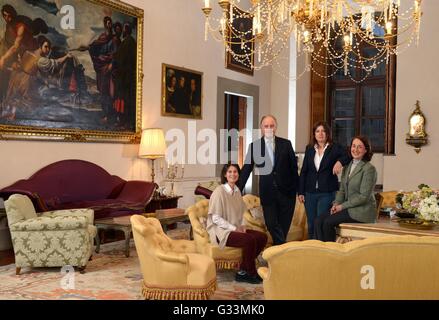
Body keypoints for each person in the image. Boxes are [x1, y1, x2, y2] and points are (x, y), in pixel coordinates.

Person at [238, 115, 299, 245]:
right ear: (261, 128)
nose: (269, 128)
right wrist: (236, 188)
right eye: (266, 126)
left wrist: (300, 191)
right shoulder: (254, 147)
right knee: (271, 224)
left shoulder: (286, 144)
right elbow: (246, 169)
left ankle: (278, 259)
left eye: (272, 126)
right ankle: (283, 251)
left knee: (283, 229)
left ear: (276, 127)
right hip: (268, 194)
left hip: (287, 195)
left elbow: (294, 169)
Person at [207, 163, 267, 284]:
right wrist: (234, 228)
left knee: (262, 237)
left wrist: (243, 225)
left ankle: (242, 270)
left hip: (235, 228)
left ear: (238, 175)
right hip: (222, 232)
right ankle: (251, 272)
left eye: (235, 172)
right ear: (225, 174)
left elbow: (241, 212)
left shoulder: (237, 191)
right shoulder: (219, 192)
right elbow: (216, 218)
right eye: (230, 172)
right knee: (249, 240)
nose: (233, 174)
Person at [314, 135, 377, 242]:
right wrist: (336, 204)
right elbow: (342, 190)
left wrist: (342, 206)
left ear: (366, 150)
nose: (355, 150)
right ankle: (322, 251)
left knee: (328, 222)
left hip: (362, 211)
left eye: (359, 147)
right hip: (348, 207)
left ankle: (332, 253)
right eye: (353, 146)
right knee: (318, 220)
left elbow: (363, 197)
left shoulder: (369, 169)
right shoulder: (347, 166)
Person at [298, 121, 351, 239]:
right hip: (310, 192)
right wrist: (301, 191)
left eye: (323, 131)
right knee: (311, 224)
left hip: (327, 193)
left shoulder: (335, 148)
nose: (320, 134)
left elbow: (349, 155)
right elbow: (304, 171)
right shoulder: (310, 148)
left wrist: (339, 162)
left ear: (327, 133)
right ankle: (312, 248)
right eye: (317, 131)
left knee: (320, 222)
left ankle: (322, 250)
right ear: (314, 134)